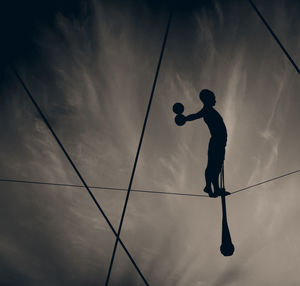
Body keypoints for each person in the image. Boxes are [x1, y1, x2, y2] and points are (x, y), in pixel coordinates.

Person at [184, 89, 227, 197]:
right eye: (213, 98)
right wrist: (185, 118)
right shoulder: (207, 110)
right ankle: (209, 187)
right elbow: (195, 116)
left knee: (216, 166)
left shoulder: (209, 110)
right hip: (217, 141)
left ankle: (214, 188)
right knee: (214, 165)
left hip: (220, 142)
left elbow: (195, 115)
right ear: (208, 99)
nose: (215, 100)